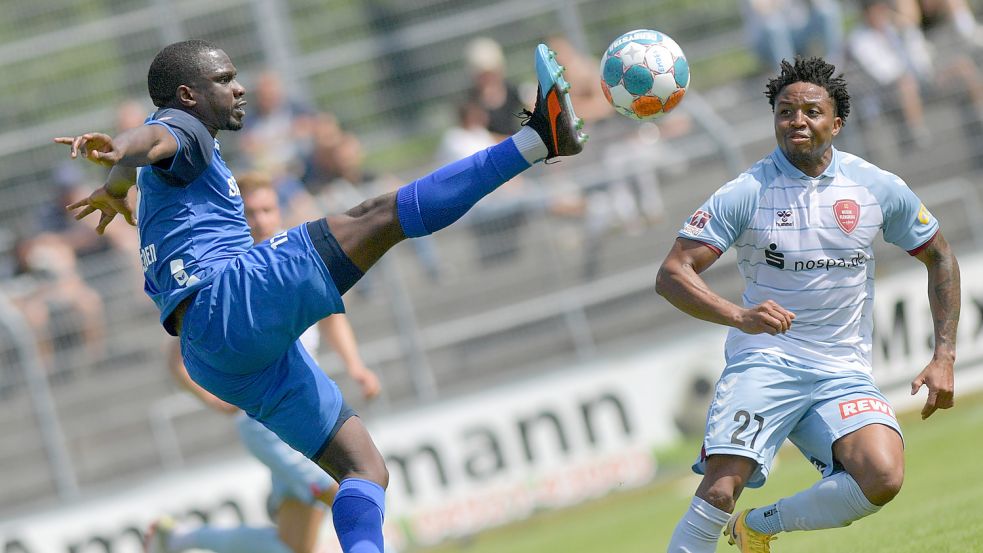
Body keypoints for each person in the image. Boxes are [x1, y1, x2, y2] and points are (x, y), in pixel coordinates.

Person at [54, 39, 586, 553]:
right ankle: (541, 138)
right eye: (224, 79)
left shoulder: (179, 146)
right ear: (189, 94)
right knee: (376, 216)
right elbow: (153, 138)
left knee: (364, 469)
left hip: (216, 356)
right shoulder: (185, 127)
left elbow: (146, 147)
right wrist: (119, 148)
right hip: (228, 300)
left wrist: (118, 184)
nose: (238, 89)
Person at [657, 57, 960, 552]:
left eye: (811, 111)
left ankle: (758, 526)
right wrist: (740, 316)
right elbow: (672, 273)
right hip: (766, 360)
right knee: (720, 485)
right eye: (785, 112)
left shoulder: (875, 187)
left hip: (840, 367)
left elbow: (941, 257)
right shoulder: (746, 193)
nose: (797, 120)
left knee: (882, 474)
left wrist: (944, 355)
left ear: (836, 122)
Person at [147, 173, 381, 553]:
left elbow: (332, 317)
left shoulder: (289, 257)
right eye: (249, 211)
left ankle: (176, 539)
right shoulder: (222, 273)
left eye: (267, 209)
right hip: (265, 422)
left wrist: (356, 366)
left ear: (278, 211)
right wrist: (216, 402)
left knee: (293, 546)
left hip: (300, 412)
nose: (259, 219)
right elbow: (176, 359)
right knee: (349, 486)